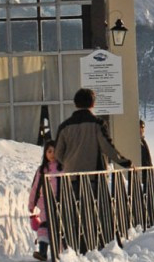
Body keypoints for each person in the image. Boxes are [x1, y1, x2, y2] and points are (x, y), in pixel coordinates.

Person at [53, 87, 131, 253]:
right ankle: (97, 247)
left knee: (75, 212)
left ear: (75, 104)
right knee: (97, 212)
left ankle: (75, 247)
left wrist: (69, 163)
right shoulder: (97, 124)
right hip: (94, 177)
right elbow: (107, 147)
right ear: (93, 104)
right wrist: (124, 162)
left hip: (71, 177)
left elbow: (58, 153)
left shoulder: (64, 126)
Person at [26, 141, 61, 260]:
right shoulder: (42, 170)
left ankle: (60, 252)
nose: (52, 154)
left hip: (61, 202)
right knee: (44, 226)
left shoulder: (63, 168)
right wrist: (32, 203)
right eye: (49, 151)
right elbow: (35, 187)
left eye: (55, 151)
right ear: (45, 153)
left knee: (60, 225)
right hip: (45, 202)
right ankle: (42, 251)